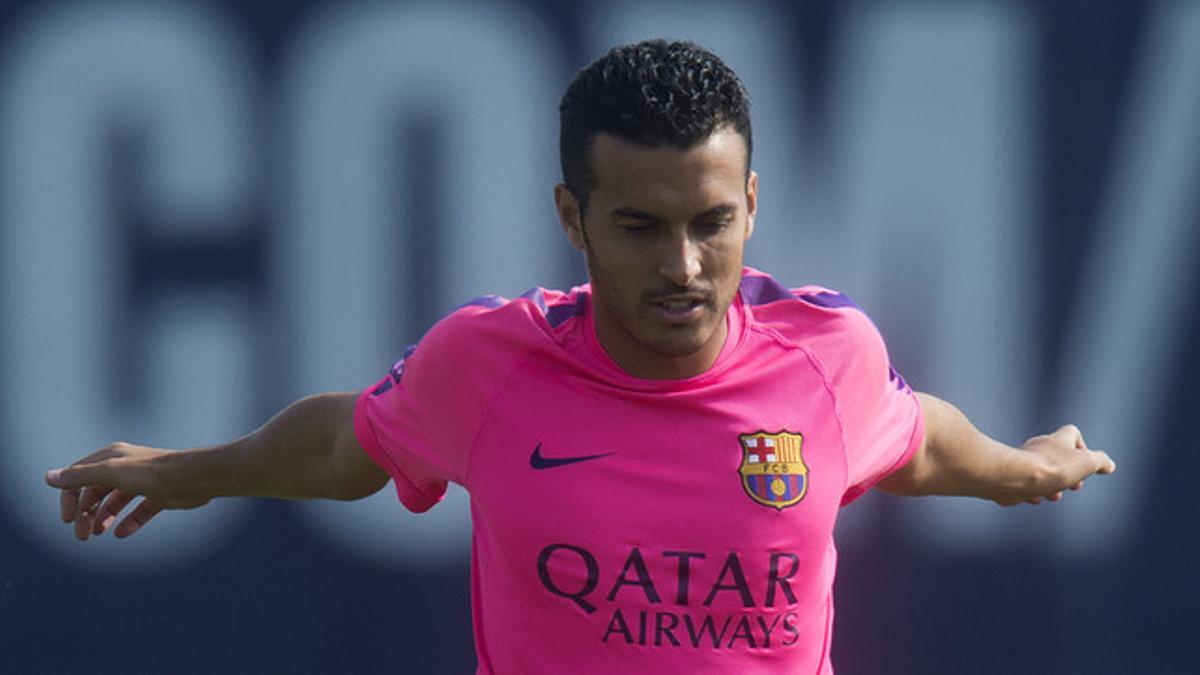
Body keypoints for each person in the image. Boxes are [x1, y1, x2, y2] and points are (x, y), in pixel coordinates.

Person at [45, 39, 1115, 673]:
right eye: (640, 227)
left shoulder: (828, 360)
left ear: (753, 202)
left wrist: (1028, 467)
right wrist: (187, 473)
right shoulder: (488, 364)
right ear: (574, 217)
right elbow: (344, 445)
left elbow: (920, 437)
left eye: (712, 222)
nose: (684, 266)